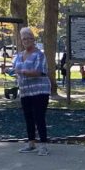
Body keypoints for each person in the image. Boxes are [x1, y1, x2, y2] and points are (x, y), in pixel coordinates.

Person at [12, 27, 51, 156]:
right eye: (24, 39)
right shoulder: (18, 55)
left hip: (40, 91)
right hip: (25, 91)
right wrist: (11, 72)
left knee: (39, 117)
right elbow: (14, 70)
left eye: (29, 38)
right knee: (28, 117)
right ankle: (31, 143)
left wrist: (22, 71)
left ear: (33, 40)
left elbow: (38, 71)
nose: (26, 41)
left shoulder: (39, 54)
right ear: (21, 41)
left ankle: (44, 145)